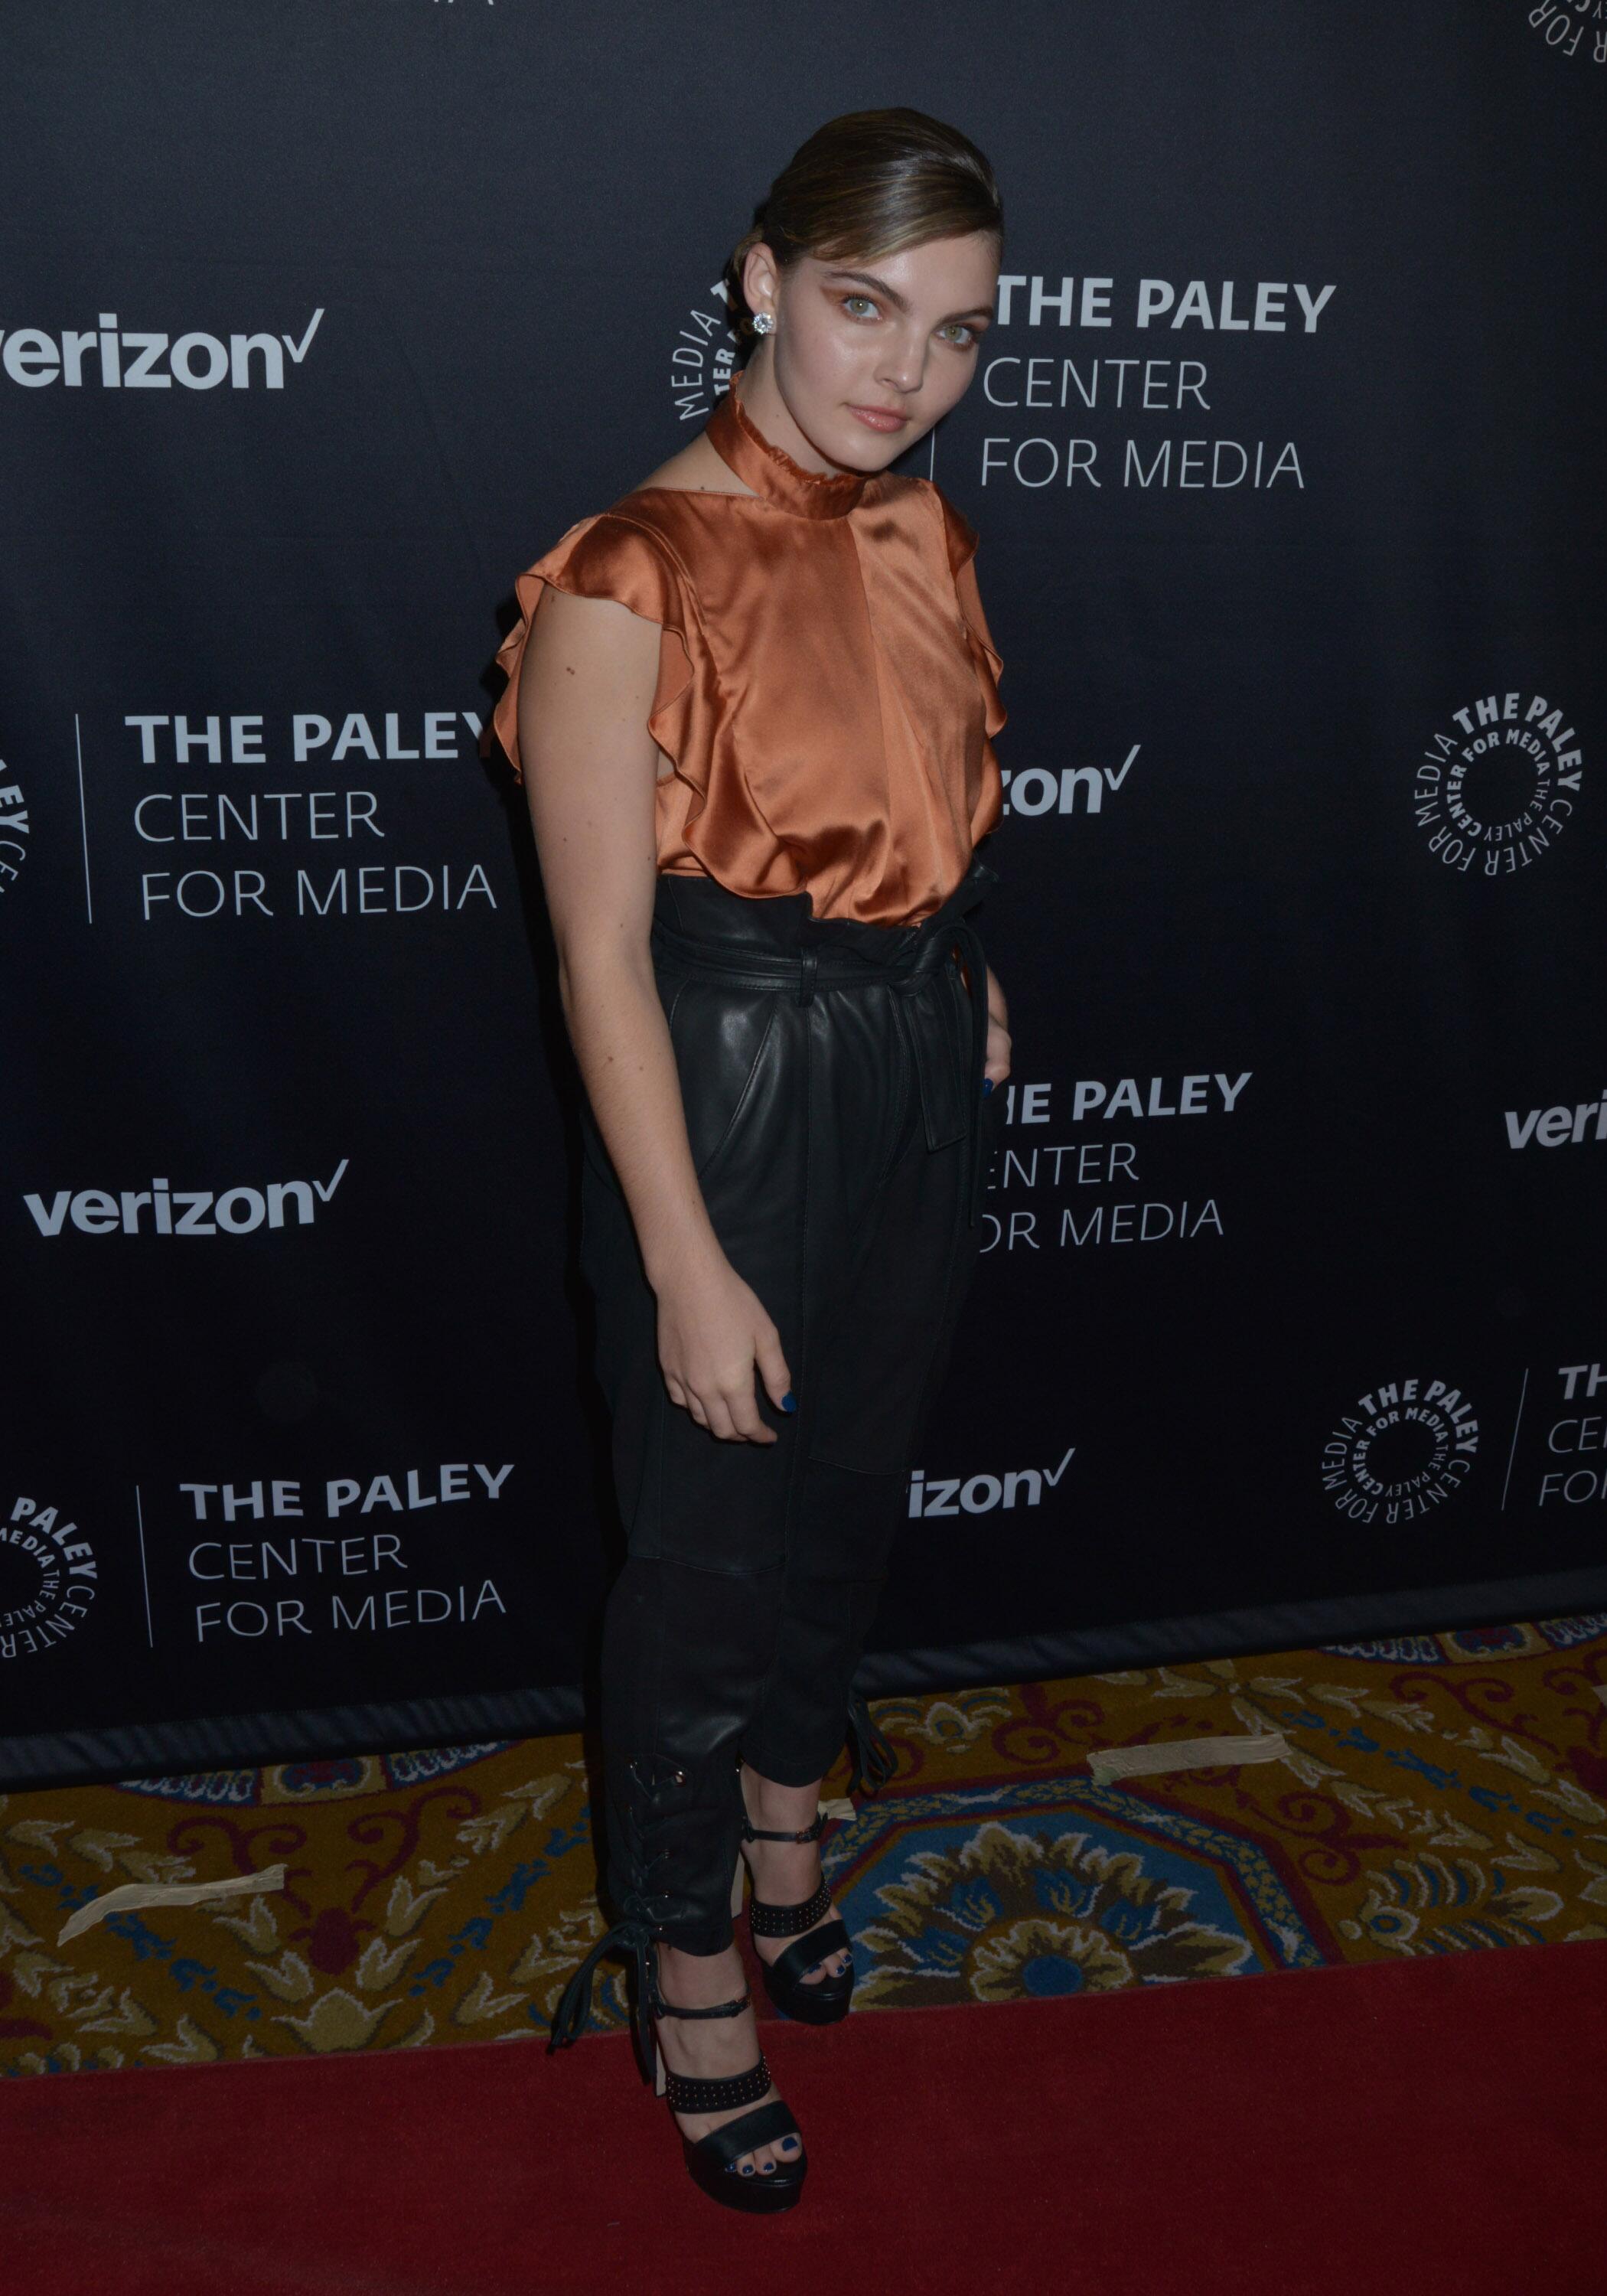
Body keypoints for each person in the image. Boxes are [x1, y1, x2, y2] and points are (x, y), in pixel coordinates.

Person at [491, 106, 1012, 2215]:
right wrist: (685, 1257)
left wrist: (962, 972)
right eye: (862, 304)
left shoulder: (923, 528)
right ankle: (686, 1957)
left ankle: (792, 1833)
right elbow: (597, 962)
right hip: (721, 1088)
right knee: (705, 1562)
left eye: (957, 334)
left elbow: (929, 788)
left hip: (905, 1070)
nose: (901, 369)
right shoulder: (630, 570)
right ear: (759, 278)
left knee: (850, 1489)